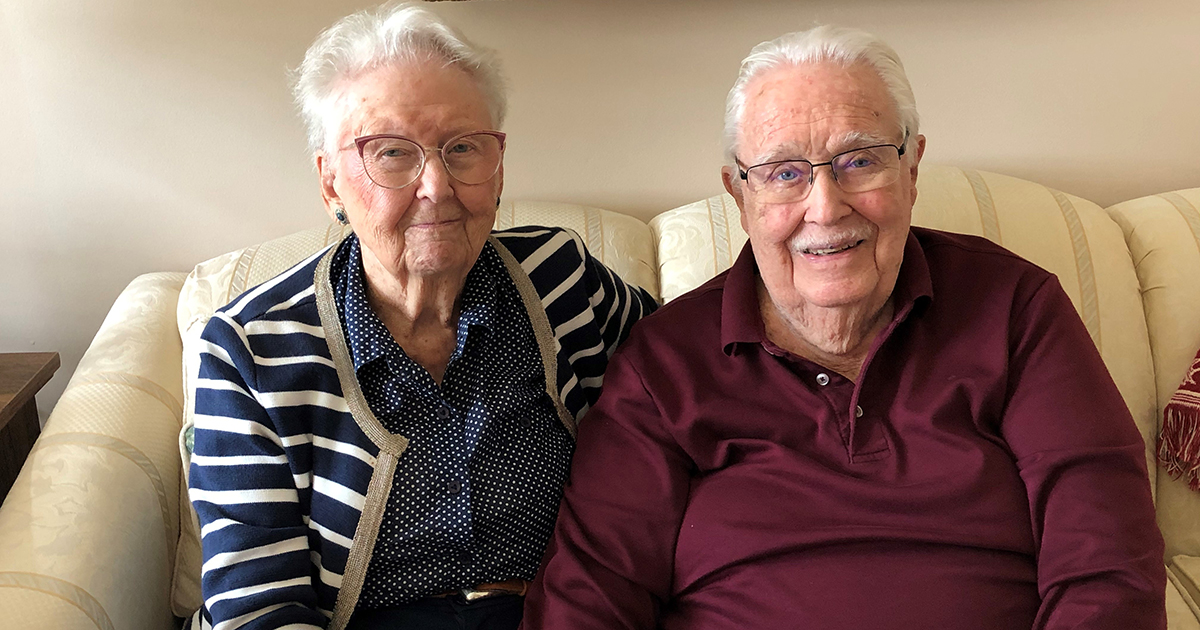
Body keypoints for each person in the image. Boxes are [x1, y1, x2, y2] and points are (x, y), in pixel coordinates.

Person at [522, 25, 1165, 630]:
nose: (825, 207)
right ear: (740, 196)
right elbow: (592, 593)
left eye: (859, 161)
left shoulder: (1016, 307)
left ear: (912, 169)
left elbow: (1106, 559)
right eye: (783, 174)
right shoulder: (664, 362)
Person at [186, 4, 656, 630]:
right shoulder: (250, 350)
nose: (435, 185)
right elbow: (258, 609)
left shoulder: (558, 277)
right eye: (391, 154)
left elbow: (683, 368)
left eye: (462, 148)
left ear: (498, 164)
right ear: (331, 184)